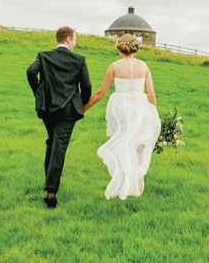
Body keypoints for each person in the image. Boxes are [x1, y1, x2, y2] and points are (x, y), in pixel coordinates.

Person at [84, 34, 161, 200]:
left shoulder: (114, 66)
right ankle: (138, 180)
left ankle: (128, 177)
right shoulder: (144, 66)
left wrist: (85, 108)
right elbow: (152, 95)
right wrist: (154, 115)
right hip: (140, 107)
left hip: (121, 109)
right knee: (139, 143)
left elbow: (100, 93)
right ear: (134, 47)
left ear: (119, 48)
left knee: (124, 141)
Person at [26, 26, 92, 208]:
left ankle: (49, 183)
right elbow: (86, 86)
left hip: (47, 107)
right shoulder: (79, 60)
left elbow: (31, 72)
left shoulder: (43, 56)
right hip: (68, 110)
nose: (75, 43)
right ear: (69, 39)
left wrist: (39, 92)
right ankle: (51, 191)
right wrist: (83, 105)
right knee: (59, 145)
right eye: (75, 39)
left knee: (52, 142)